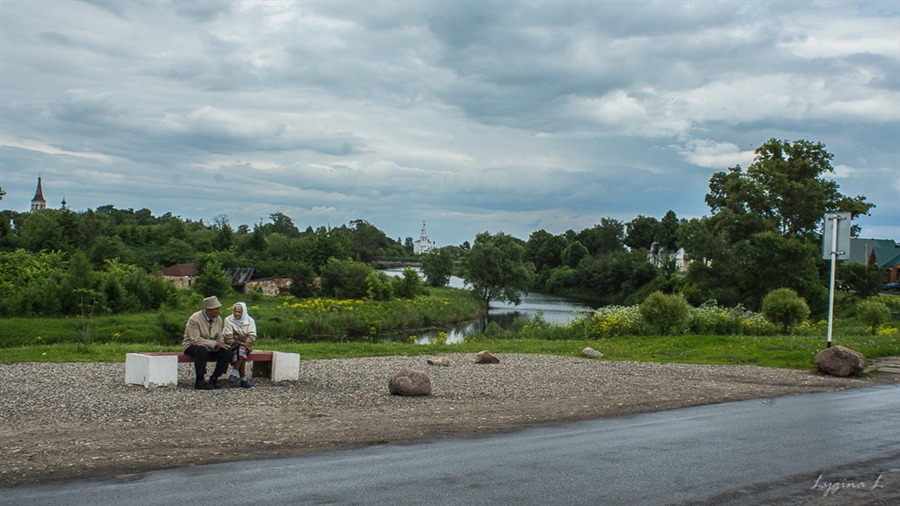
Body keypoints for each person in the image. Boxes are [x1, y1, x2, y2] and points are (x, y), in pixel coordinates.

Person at [182, 295, 231, 390]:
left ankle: (215, 377)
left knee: (227, 350)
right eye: (216, 309)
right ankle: (200, 380)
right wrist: (214, 344)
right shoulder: (194, 319)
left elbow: (219, 337)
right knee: (201, 350)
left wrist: (219, 345)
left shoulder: (218, 319)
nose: (219, 311)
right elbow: (195, 339)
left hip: (210, 345)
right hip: (191, 345)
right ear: (209, 310)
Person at [223, 302, 257, 388]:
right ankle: (243, 380)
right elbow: (229, 338)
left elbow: (252, 336)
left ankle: (235, 373)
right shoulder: (228, 320)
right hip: (232, 346)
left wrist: (237, 337)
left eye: (239, 312)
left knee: (241, 350)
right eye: (235, 311)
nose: (236, 314)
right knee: (242, 351)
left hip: (245, 345)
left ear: (243, 312)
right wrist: (242, 340)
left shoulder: (250, 321)